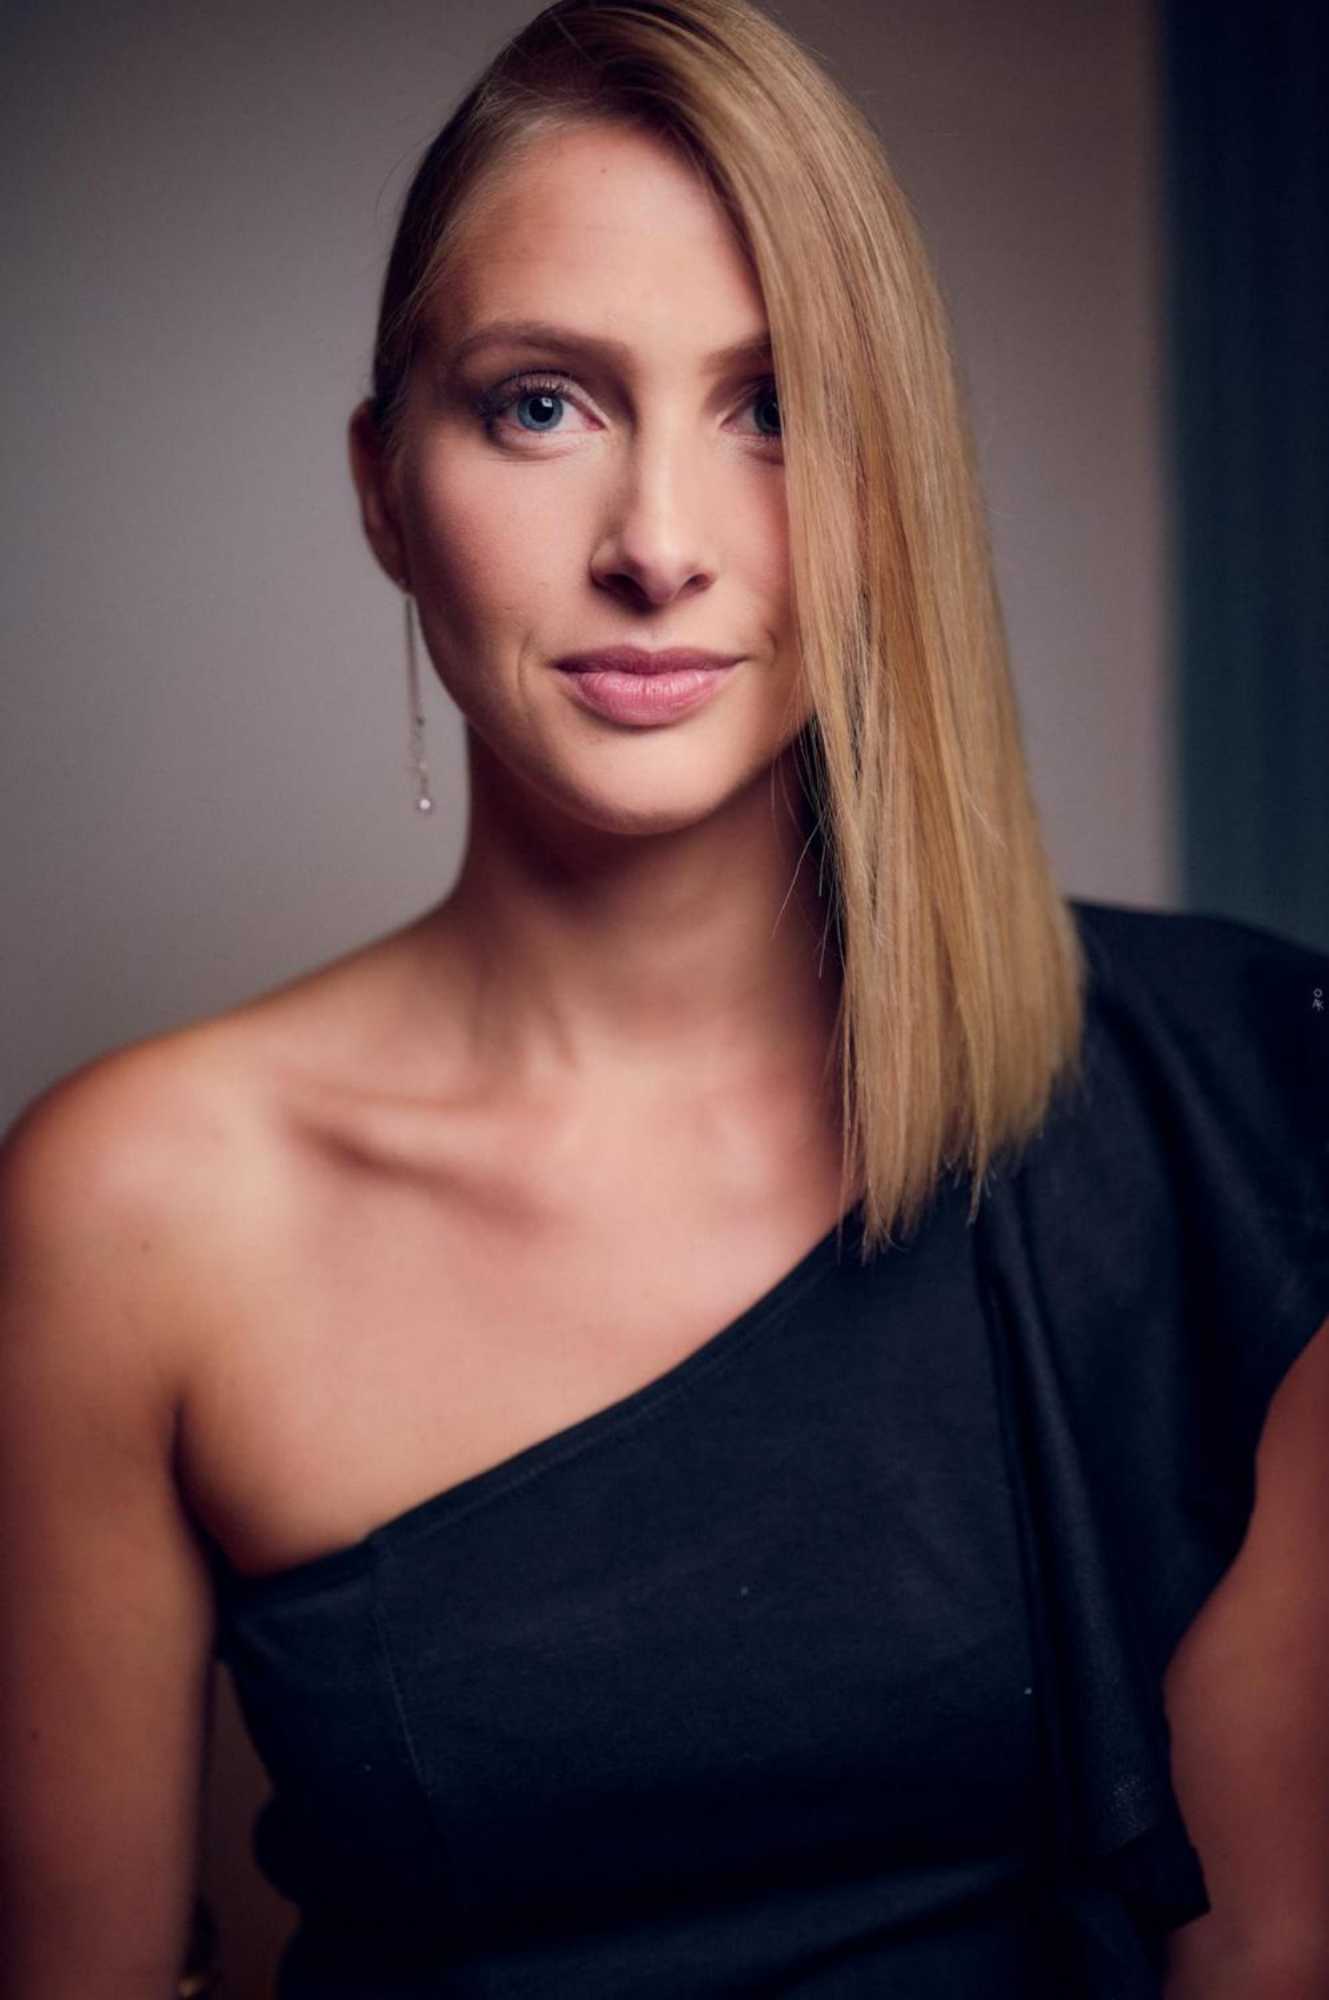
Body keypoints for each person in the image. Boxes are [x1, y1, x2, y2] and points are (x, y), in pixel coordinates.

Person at [2, 1, 1327, 1995]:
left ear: (896, 487)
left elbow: (1268, 1944)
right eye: (541, 405)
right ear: (382, 488)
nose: (659, 547)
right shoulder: (140, 1210)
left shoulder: (1213, 1099)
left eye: (774, 406)